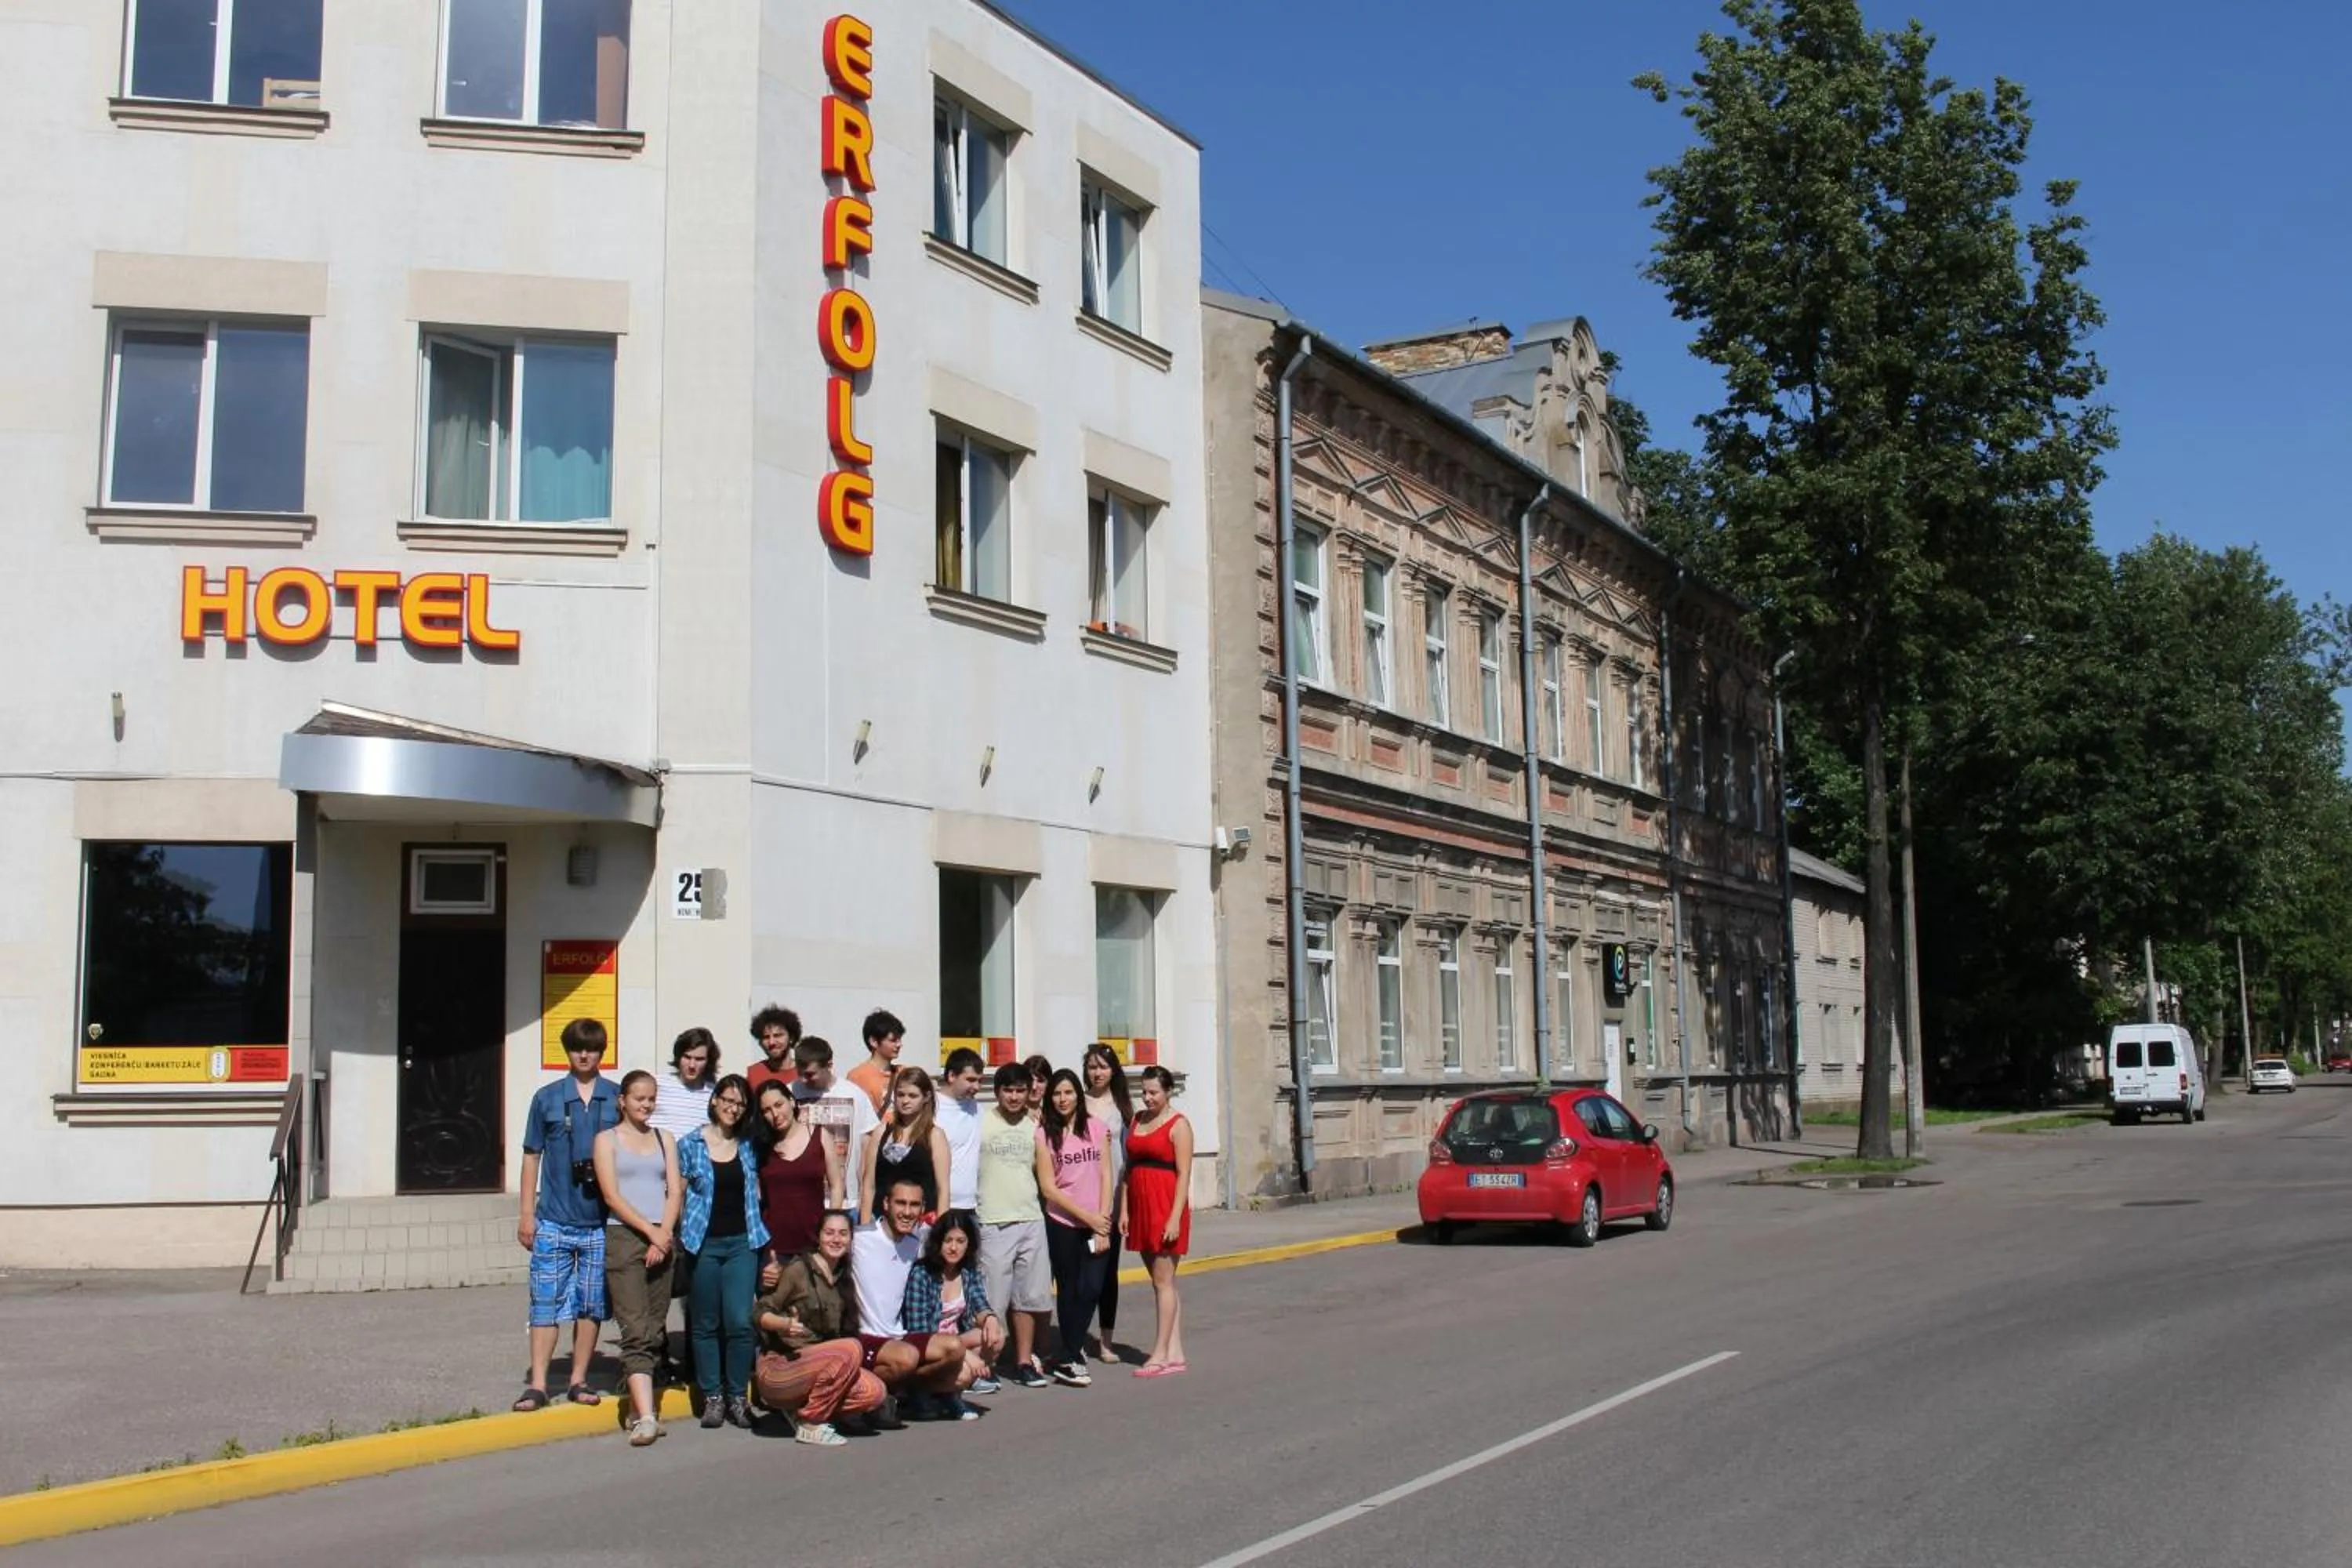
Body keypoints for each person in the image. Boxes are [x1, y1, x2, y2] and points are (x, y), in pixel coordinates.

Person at [514, 1018, 620, 1411]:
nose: (584, 1054)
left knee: (590, 1303)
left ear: (602, 1052)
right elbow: (531, 1155)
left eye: (592, 1047)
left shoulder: (616, 1097)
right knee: (544, 1303)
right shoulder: (547, 1098)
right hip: (554, 1219)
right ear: (568, 1051)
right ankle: (539, 1384)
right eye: (577, 1047)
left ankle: (579, 1379)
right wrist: (527, 1214)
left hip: (598, 1222)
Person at [594, 1070, 682, 1444]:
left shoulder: (665, 1139)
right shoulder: (607, 1140)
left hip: (662, 1236)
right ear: (623, 1101)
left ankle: (635, 1405)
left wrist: (663, 1235)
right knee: (634, 1328)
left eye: (650, 1099)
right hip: (626, 1236)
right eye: (638, 1099)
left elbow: (675, 1189)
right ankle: (647, 1417)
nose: (645, 1105)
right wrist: (650, 1232)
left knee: (654, 1327)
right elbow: (612, 1196)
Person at [678, 1073, 769, 1428]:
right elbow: (678, 1192)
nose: (733, 1108)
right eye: (727, 1100)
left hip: (742, 1243)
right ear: (715, 1100)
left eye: (740, 1103)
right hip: (703, 1242)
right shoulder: (690, 1144)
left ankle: (737, 1397)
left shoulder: (749, 1145)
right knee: (704, 1323)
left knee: (739, 1321)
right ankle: (712, 1396)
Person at [753, 1210, 886, 1446]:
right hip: (781, 1366)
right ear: (819, 1236)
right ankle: (811, 1423)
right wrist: (784, 1324)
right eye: (830, 1233)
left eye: (843, 1234)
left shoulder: (843, 1277)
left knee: (874, 1392)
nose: (836, 1239)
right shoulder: (798, 1270)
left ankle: (799, 1410)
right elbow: (760, 1313)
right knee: (851, 1349)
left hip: (816, 1366)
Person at [851, 1178, 981, 1412]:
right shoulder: (860, 1239)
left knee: (953, 1349)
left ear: (922, 1209)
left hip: (899, 1335)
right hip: (866, 1336)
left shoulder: (918, 1242)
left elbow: (951, 1243)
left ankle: (910, 1392)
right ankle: (869, 1393)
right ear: (886, 1204)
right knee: (907, 1358)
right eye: (901, 1203)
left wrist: (987, 1316)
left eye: (915, 1205)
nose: (907, 1212)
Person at [1032, 1067, 1112, 1388]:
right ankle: (1071, 1354)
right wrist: (1085, 1217)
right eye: (1057, 1094)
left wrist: (1101, 1223)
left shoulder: (1096, 1128)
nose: (1063, 1099)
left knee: (1092, 1287)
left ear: (1078, 1095)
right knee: (1069, 1290)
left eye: (1068, 1092)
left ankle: (1068, 1352)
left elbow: (1107, 1174)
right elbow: (1049, 1189)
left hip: (1098, 1222)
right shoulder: (1044, 1134)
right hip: (1062, 1222)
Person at [977, 1062, 1055, 1388]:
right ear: (997, 1092)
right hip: (993, 1219)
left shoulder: (1035, 1126)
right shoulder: (982, 1122)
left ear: (1029, 1092)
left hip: (1030, 1218)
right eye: (1007, 1090)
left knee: (1028, 1297)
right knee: (993, 1298)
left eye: (1020, 1090)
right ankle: (986, 1364)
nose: (1013, 1096)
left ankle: (1023, 1361)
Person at [900, 1209, 1006, 1421]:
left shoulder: (967, 1270)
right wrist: (966, 1356)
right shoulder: (922, 1274)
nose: (954, 1247)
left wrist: (991, 1319)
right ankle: (921, 1392)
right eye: (948, 1240)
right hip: (927, 1347)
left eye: (960, 1241)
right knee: (966, 1372)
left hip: (954, 1343)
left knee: (995, 1336)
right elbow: (919, 1332)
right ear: (938, 1241)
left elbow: (979, 1303)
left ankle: (948, 1394)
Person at [1126, 1065, 1195, 1377]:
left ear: (1168, 1092)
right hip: (1141, 1204)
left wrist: (1175, 1218)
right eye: (1145, 1091)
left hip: (1165, 1205)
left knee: (1163, 1281)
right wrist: (1125, 1210)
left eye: (1154, 1092)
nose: (1148, 1097)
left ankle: (1160, 1352)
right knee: (1162, 1281)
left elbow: (1184, 1176)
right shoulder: (1137, 1120)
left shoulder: (1179, 1125)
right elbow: (1128, 1167)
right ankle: (1175, 1352)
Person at [1081, 1042, 1134, 1363]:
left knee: (1106, 1274)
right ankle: (1075, 1337)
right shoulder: (1078, 1103)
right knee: (1082, 1273)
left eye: (1102, 1066)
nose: (1097, 1072)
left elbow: (1129, 1161)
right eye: (1092, 1067)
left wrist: (1125, 1207)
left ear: (1113, 1070)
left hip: (1112, 1201)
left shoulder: (1124, 1109)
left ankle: (1105, 1340)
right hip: (1082, 1202)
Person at [752, 1076, 844, 1263]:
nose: (775, 1114)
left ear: (792, 1101)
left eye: (779, 1105)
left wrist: (830, 1231)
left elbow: (836, 1186)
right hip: (774, 1249)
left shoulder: (820, 1136)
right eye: (767, 1111)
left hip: (814, 1246)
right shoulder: (761, 1147)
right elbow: (757, 1197)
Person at [858, 1065, 950, 1218]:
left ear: (926, 1097)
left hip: (919, 1223)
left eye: (913, 1096)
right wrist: (865, 1226)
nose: (905, 1101)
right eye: (901, 1095)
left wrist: (941, 1230)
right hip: (881, 1221)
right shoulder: (881, 1132)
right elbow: (869, 1185)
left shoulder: (934, 1135)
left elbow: (943, 1189)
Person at [937, 1048, 986, 1215]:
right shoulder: (930, 1108)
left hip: (972, 1207)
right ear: (952, 1076)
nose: (977, 1087)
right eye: (971, 1080)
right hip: (939, 1205)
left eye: (980, 1081)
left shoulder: (978, 1110)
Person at [651, 1027, 720, 1140]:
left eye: (699, 1059)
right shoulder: (656, 1084)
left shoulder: (716, 1094)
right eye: (687, 1057)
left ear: (708, 1061)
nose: (692, 1065)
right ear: (678, 1057)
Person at [847, 1008, 905, 1115]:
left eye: (900, 1039)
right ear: (874, 1041)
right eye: (893, 1040)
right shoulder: (857, 1076)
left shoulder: (905, 1072)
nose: (899, 1045)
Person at [746, 1006, 801, 1098]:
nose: (772, 1042)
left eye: (778, 1035)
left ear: (791, 1038)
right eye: (766, 1037)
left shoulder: (804, 1073)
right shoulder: (754, 1073)